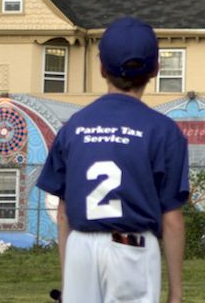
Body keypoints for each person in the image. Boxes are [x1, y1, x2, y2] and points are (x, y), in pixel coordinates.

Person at [37, 17, 190, 303]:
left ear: (102, 68)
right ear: (155, 69)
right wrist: (176, 293)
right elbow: (171, 219)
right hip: (132, 249)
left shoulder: (74, 127)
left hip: (81, 247)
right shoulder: (162, 131)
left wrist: (69, 279)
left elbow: (63, 213)